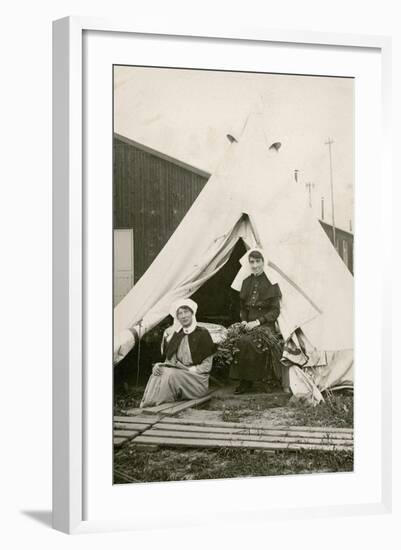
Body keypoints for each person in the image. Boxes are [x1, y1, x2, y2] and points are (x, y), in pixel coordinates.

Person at [229, 248, 290, 394]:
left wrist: (258, 322)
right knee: (239, 341)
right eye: (252, 262)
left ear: (263, 262)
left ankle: (261, 380)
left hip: (265, 325)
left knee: (251, 342)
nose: (255, 265)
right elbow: (243, 307)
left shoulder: (271, 283)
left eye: (258, 261)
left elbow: (275, 310)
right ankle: (245, 381)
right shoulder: (246, 282)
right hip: (248, 325)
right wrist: (243, 320)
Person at [140, 298, 216, 408]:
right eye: (180, 313)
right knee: (159, 372)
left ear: (192, 313)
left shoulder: (202, 333)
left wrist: (188, 369)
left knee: (171, 374)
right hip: (179, 375)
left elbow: (207, 366)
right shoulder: (177, 335)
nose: (183, 316)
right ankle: (148, 404)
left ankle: (159, 405)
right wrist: (159, 365)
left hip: (197, 380)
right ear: (177, 318)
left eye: (186, 312)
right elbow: (170, 361)